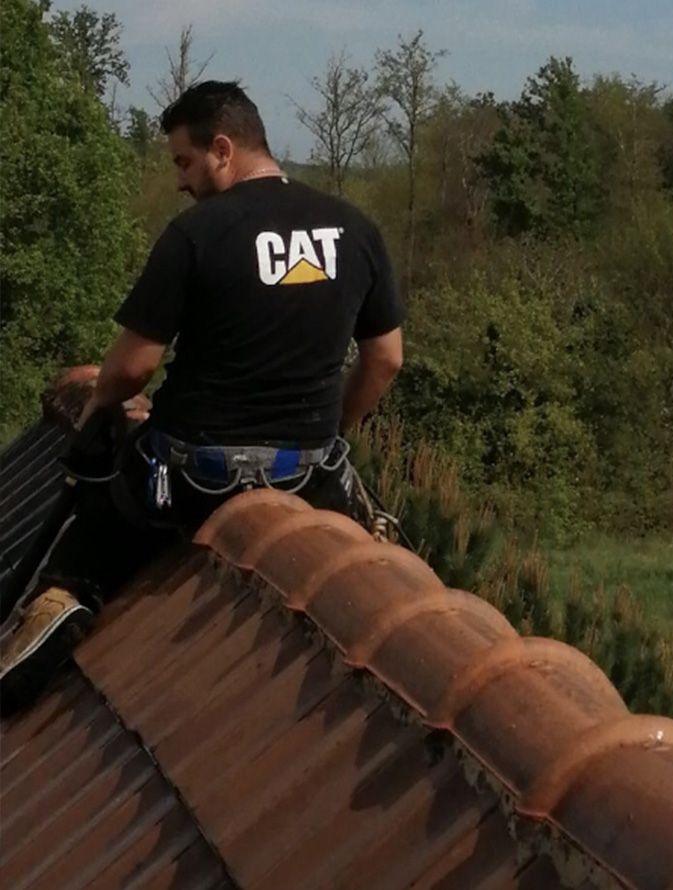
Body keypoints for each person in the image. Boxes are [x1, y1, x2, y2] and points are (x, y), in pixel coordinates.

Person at [0, 81, 403, 716]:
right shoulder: (355, 228)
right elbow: (386, 359)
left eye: (184, 162)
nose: (181, 182)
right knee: (380, 563)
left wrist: (99, 410)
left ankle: (35, 647)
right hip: (303, 477)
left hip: (191, 478)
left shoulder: (198, 234)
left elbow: (132, 370)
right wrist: (329, 435)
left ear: (223, 148)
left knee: (79, 555)